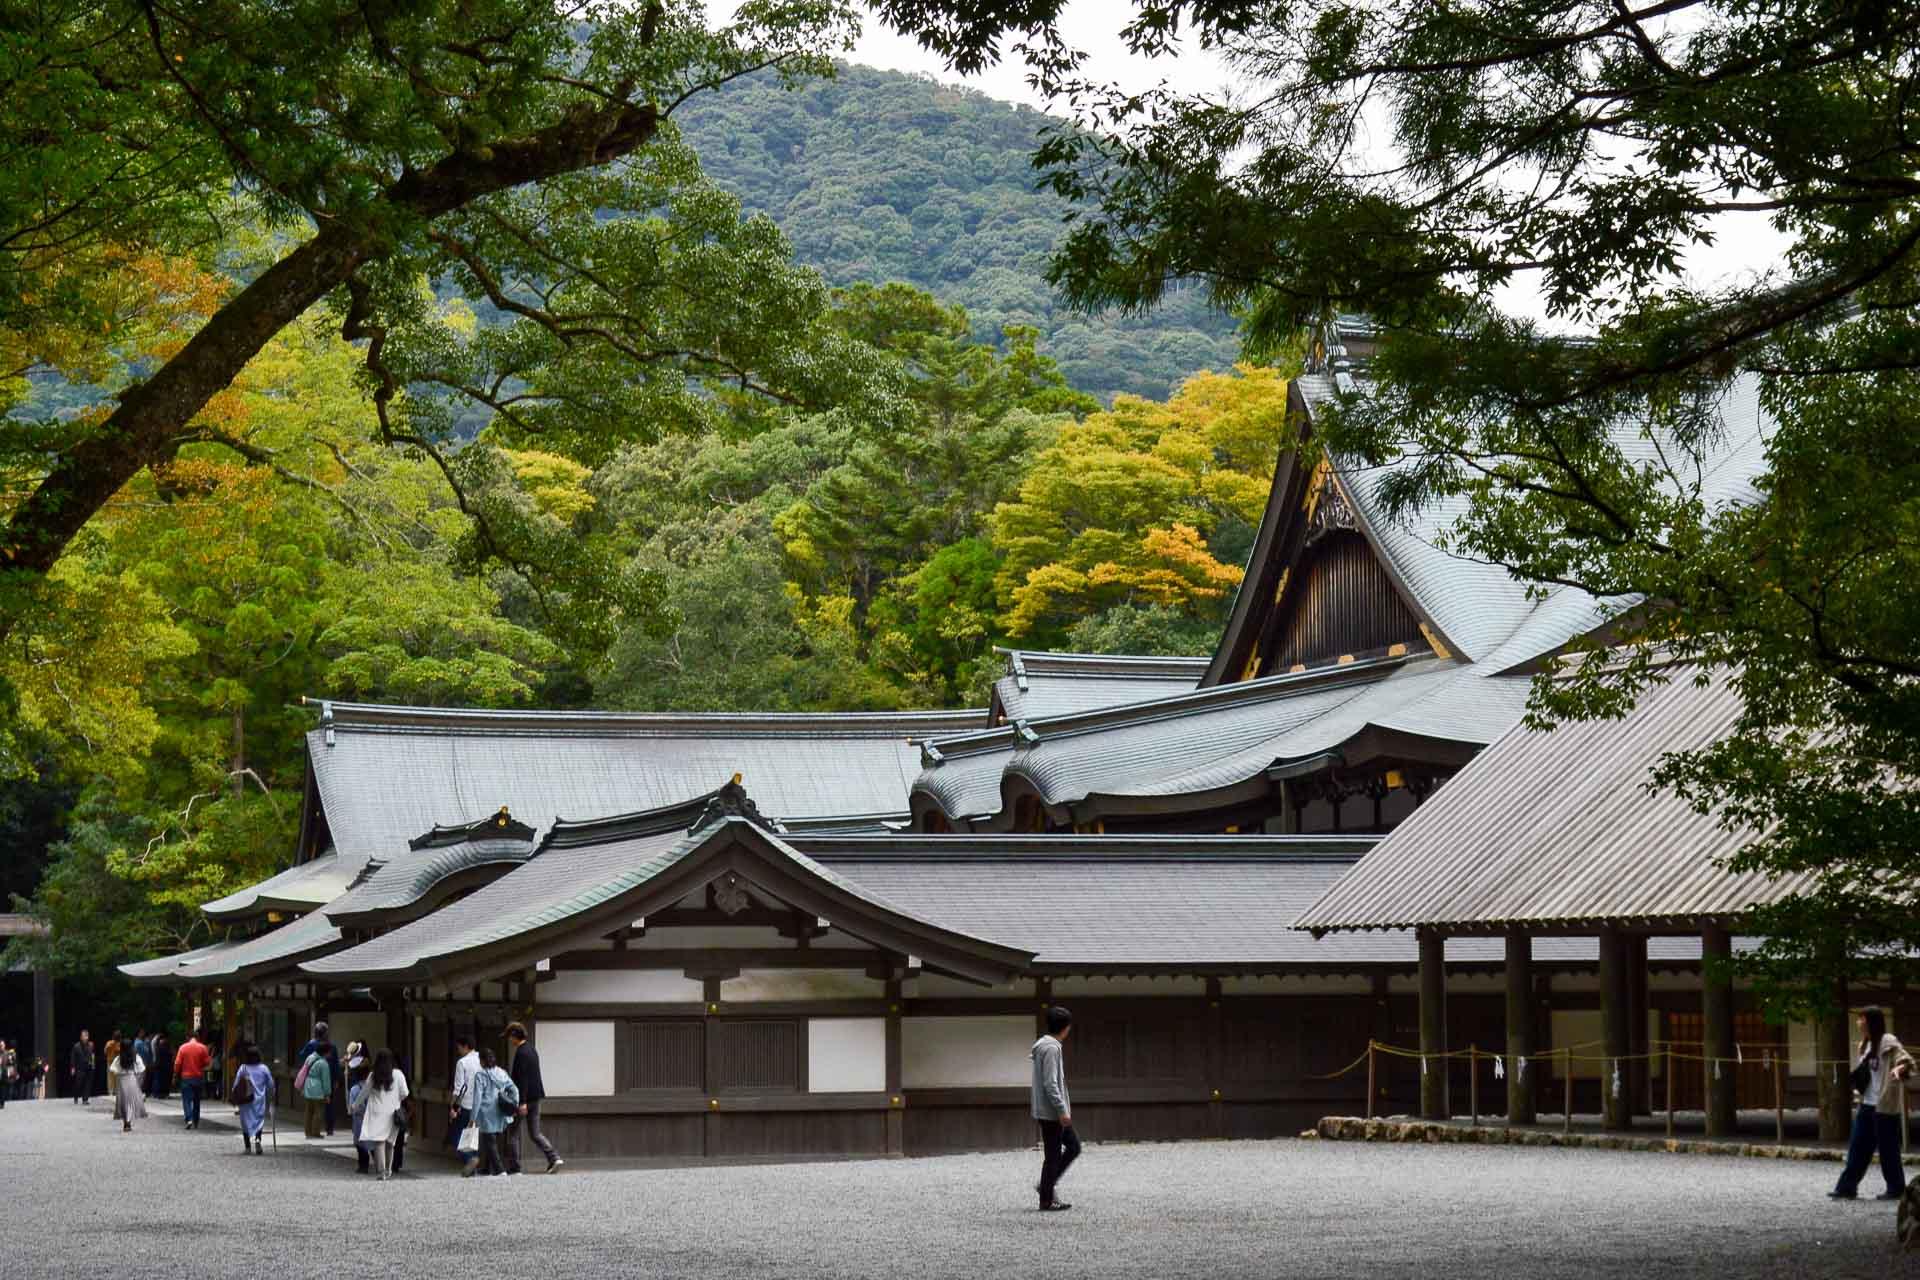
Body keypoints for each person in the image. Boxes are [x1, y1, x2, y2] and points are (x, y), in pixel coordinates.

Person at [1831, 1008, 1916, 1200]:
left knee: (1888, 1150)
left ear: (1871, 1021)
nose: (1858, 1022)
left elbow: (1906, 1060)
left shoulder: (1888, 1040)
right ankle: (1846, 1188)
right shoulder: (1866, 1044)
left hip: (1884, 1104)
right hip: (1867, 1104)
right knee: (1858, 1147)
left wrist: (1899, 1069)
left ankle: (1896, 1189)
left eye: (1862, 1019)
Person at [1031, 1005, 1079, 1213]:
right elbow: (1050, 1084)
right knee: (1053, 1156)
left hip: (1051, 1110)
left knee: (1073, 1146)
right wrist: (1061, 1110)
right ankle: (1046, 1199)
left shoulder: (1047, 1045)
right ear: (1065, 1027)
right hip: (1052, 1113)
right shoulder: (1051, 1048)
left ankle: (1046, 1187)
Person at [505, 1023, 564, 1174]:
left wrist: (522, 1102)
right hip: (536, 1096)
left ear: (514, 1036)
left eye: (509, 1037)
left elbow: (522, 1078)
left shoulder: (521, 1053)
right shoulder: (532, 1050)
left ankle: (514, 1167)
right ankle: (554, 1157)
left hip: (524, 1099)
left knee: (513, 1133)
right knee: (535, 1133)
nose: (509, 1040)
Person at [352, 1048, 410, 1182]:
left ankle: (381, 1171)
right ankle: (389, 1170)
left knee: (379, 1142)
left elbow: (364, 1093)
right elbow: (405, 1094)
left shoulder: (373, 1075)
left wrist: (354, 1105)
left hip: (377, 1112)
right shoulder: (398, 1074)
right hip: (393, 1113)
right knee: (390, 1143)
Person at [469, 1046, 520, 1178]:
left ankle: (499, 1170)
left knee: (490, 1142)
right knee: (492, 1140)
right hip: (500, 1112)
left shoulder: (480, 1075)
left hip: (486, 1112)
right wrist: (514, 1104)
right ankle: (486, 1168)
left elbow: (477, 1098)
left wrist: (472, 1117)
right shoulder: (501, 1072)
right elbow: (514, 1088)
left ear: (482, 1061)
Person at [293, 1022, 343, 1136]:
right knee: (324, 1107)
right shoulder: (331, 1047)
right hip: (327, 1079)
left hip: (310, 1082)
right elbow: (335, 1064)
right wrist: (336, 1080)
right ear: (325, 1033)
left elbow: (302, 1056)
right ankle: (327, 1129)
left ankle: (308, 1131)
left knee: (309, 1109)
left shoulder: (310, 1045)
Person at [446, 1033, 480, 1170]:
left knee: (457, 1136)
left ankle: (470, 1159)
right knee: (473, 1136)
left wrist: (453, 1107)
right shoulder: (481, 1059)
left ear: (465, 1046)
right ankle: (474, 1162)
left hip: (465, 1105)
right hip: (480, 1105)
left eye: (459, 1048)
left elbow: (458, 1088)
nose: (458, 1051)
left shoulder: (462, 1063)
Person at [231, 1044, 272, 1155]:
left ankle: (248, 1147)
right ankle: (258, 1140)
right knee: (259, 1121)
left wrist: (234, 1095)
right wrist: (271, 1097)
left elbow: (236, 1084)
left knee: (245, 1123)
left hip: (246, 1100)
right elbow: (271, 1085)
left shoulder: (243, 1068)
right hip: (259, 1100)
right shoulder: (264, 1068)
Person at [173, 1027, 211, 1130]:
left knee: (186, 1100)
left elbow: (177, 1063)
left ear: (187, 1037)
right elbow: (207, 1062)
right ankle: (196, 1121)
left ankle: (188, 1119)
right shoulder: (203, 1048)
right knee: (197, 1100)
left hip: (186, 1077)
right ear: (197, 1037)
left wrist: (175, 1075)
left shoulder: (183, 1048)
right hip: (198, 1077)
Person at [298, 1033, 334, 1139]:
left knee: (308, 1111)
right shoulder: (323, 1063)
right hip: (318, 1089)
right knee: (319, 1111)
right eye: (329, 1052)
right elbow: (326, 1080)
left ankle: (307, 1132)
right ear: (325, 1052)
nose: (330, 1054)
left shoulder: (310, 1057)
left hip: (308, 1086)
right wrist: (327, 1094)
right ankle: (315, 1132)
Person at [107, 1038, 146, 1133]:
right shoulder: (135, 1057)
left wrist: (119, 1072)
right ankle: (128, 1122)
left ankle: (126, 1122)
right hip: (131, 1079)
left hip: (121, 1080)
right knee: (130, 1101)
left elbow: (112, 1069)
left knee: (123, 1101)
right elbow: (141, 1069)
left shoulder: (119, 1058)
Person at [345, 1046, 371, 1173]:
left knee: (360, 1144)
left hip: (359, 1119)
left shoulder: (354, 1089)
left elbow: (351, 1107)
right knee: (372, 1143)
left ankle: (363, 1166)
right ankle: (379, 1164)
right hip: (372, 1118)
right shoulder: (373, 1088)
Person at [70, 1030, 95, 1105]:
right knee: (78, 1084)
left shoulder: (91, 1045)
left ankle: (85, 1099)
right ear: (81, 1037)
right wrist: (73, 1068)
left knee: (88, 1084)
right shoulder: (76, 1046)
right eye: (84, 1036)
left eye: (87, 1036)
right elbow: (73, 1058)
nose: (85, 1038)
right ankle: (76, 1096)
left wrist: (93, 1065)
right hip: (80, 1068)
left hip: (89, 1067)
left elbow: (93, 1055)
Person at [151, 1032, 172, 1098]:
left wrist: (156, 1065)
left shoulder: (158, 1047)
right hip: (166, 1066)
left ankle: (158, 1093)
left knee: (159, 1080)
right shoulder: (167, 1047)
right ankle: (164, 1093)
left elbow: (158, 1058)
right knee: (165, 1081)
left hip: (160, 1066)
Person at [134, 1030, 154, 1098]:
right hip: (141, 1063)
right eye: (141, 1032)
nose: (143, 1033)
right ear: (138, 1034)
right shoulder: (138, 1043)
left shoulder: (141, 1042)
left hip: (143, 1062)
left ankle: (140, 1092)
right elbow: (143, 1052)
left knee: (142, 1079)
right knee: (140, 1079)